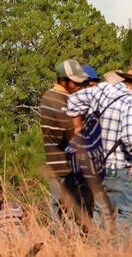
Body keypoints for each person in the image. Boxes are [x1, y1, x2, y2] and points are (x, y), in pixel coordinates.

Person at [67, 64, 132, 246]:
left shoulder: (103, 88)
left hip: (97, 166)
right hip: (119, 168)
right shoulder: (131, 100)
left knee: (101, 214)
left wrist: (77, 127)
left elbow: (73, 100)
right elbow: (129, 133)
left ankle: (94, 251)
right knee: (128, 212)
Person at [40, 59, 92, 231]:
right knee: (71, 213)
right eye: (75, 81)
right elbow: (73, 134)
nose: (79, 85)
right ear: (63, 81)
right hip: (65, 167)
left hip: (57, 164)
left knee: (60, 212)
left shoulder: (53, 96)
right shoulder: (59, 99)